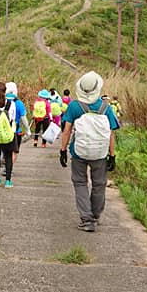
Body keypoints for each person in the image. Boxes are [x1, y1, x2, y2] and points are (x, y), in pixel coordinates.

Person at [59, 71, 119, 233]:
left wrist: (63, 150)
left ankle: (86, 219)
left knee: (80, 182)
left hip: (79, 152)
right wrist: (112, 155)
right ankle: (96, 215)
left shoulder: (74, 106)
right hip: (100, 153)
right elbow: (111, 133)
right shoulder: (106, 107)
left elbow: (66, 131)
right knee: (99, 184)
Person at [5, 82, 29, 163]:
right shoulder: (19, 103)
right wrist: (28, 130)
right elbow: (24, 119)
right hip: (15, 131)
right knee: (14, 151)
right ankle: (9, 168)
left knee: (5, 150)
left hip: (3, 130)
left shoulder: (1, 101)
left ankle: (5, 163)